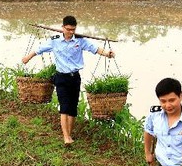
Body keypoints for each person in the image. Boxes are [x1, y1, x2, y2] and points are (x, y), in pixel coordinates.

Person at [22, 15, 115, 145]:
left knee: (72, 108)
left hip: (75, 77)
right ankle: (66, 137)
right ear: (63, 28)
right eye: (68, 29)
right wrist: (28, 57)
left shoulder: (80, 41)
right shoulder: (55, 41)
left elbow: (95, 49)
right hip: (61, 77)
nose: (71, 32)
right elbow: (39, 49)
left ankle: (69, 134)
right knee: (64, 107)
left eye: (73, 30)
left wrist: (107, 54)